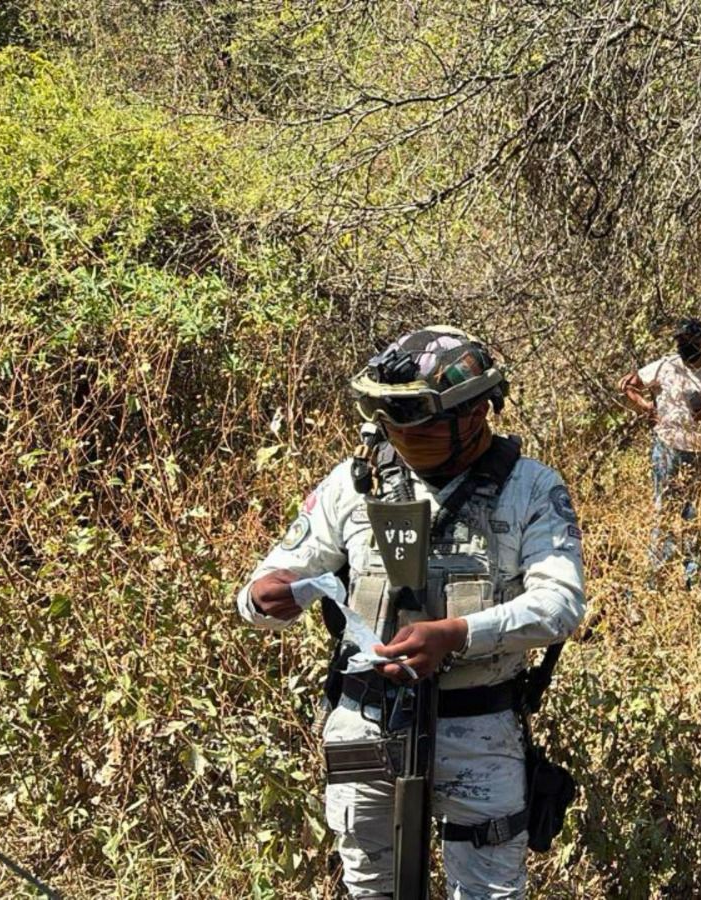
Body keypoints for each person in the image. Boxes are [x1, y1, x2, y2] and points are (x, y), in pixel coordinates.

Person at [237, 326, 587, 899]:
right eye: (389, 418)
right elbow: (268, 582)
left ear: (474, 413)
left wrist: (457, 634)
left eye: (415, 420)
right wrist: (262, 598)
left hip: (478, 729)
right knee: (370, 888)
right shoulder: (355, 483)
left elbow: (560, 604)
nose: (399, 433)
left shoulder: (530, 489)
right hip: (367, 724)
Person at [619, 318, 701, 584]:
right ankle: (656, 575)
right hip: (667, 449)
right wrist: (647, 408)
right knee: (664, 510)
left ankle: (693, 575)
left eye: (690, 341)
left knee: (693, 512)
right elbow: (628, 384)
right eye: (681, 341)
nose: (685, 346)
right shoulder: (665, 365)